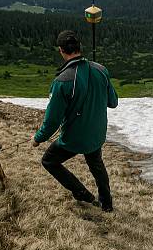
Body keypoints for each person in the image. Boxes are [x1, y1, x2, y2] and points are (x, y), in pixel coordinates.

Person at [32, 30, 119, 212]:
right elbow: (113, 102)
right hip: (97, 133)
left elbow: (52, 120)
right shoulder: (101, 70)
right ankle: (107, 203)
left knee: (49, 161)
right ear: (80, 48)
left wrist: (38, 138)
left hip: (74, 137)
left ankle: (82, 193)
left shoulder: (62, 81)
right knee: (96, 164)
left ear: (61, 50)